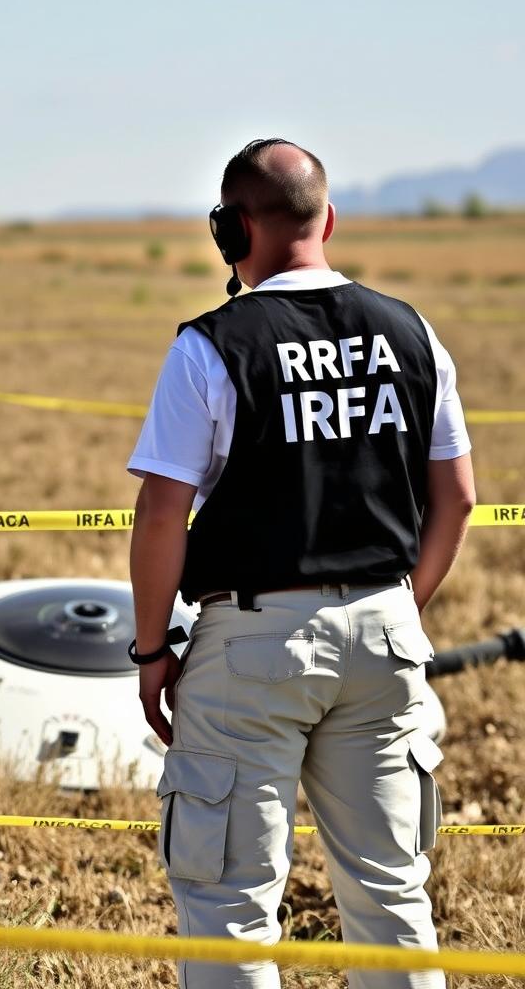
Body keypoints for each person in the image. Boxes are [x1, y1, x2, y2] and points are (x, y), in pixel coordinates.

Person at [128, 139, 475, 989]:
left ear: (229, 230)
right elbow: (458, 497)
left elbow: (162, 513)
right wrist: (401, 608)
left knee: (230, 906)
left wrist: (150, 651)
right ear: (329, 219)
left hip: (253, 647)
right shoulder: (412, 330)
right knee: (392, 896)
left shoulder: (211, 346)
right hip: (387, 636)